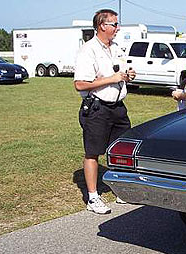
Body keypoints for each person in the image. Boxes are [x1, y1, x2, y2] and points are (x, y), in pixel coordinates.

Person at [74, 9, 136, 214]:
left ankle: (119, 190)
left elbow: (119, 72)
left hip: (118, 107)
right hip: (97, 108)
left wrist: (128, 75)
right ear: (102, 25)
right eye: (114, 24)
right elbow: (80, 84)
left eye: (117, 24)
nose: (117, 28)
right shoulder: (88, 50)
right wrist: (114, 79)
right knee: (93, 152)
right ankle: (93, 197)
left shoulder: (116, 47)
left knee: (119, 149)